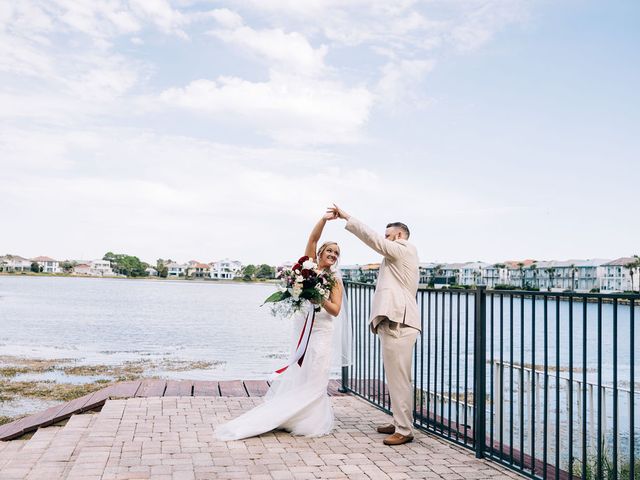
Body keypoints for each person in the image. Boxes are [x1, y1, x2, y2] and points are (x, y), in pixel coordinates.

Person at [214, 212, 346, 441]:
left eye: (337, 253)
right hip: (303, 328)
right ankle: (293, 414)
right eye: (330, 251)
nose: (333, 255)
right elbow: (313, 239)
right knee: (302, 373)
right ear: (321, 253)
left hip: (322, 331)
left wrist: (319, 299)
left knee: (317, 374)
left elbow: (335, 310)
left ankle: (310, 420)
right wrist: (324, 220)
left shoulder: (335, 280)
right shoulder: (309, 268)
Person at [328, 204, 420, 446]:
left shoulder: (404, 248)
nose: (385, 240)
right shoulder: (397, 255)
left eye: (388, 235)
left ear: (399, 236)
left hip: (400, 322)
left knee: (399, 378)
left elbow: (375, 241)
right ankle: (399, 421)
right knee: (395, 376)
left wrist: (347, 217)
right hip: (394, 322)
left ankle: (404, 429)